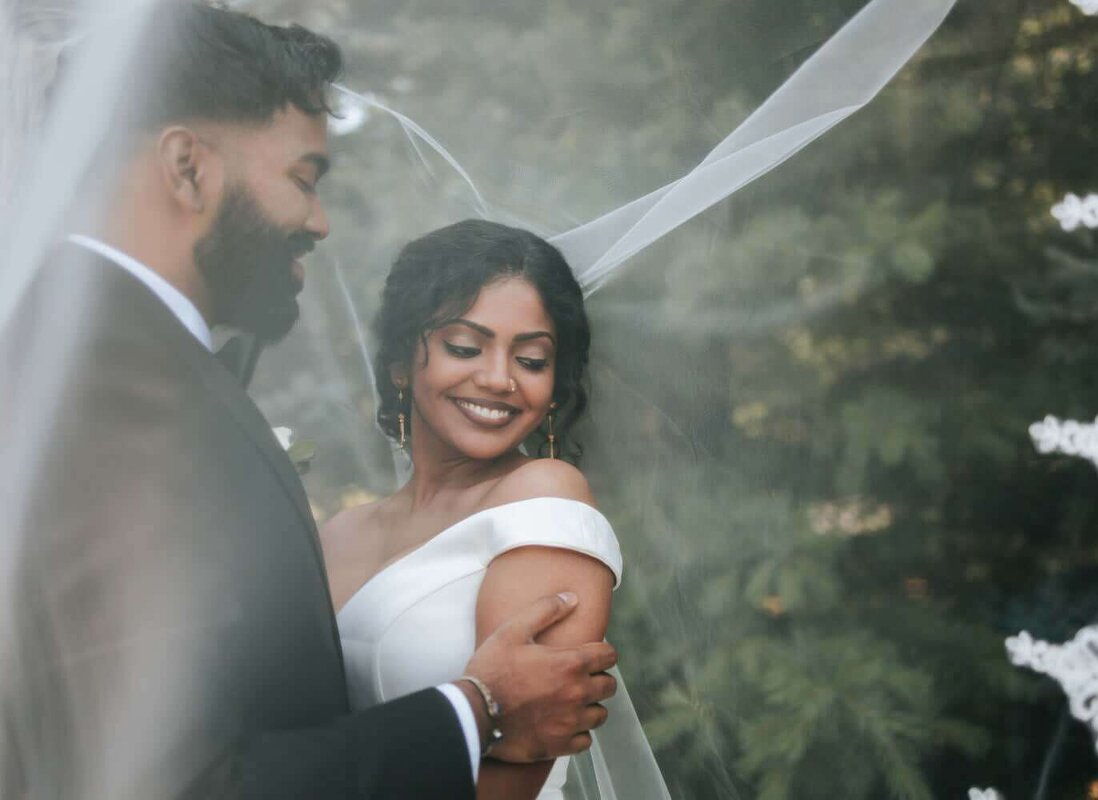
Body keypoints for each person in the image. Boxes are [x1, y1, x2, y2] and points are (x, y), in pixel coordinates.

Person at [0, 3, 617, 798]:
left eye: (531, 358)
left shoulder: (89, 358)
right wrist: (479, 708)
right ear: (187, 167)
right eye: (302, 178)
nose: (319, 222)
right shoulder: (120, 387)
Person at [322, 219, 648, 800]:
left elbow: (507, 782)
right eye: (466, 347)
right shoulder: (338, 535)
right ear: (401, 363)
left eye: (531, 360)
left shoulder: (544, 499)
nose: (498, 379)